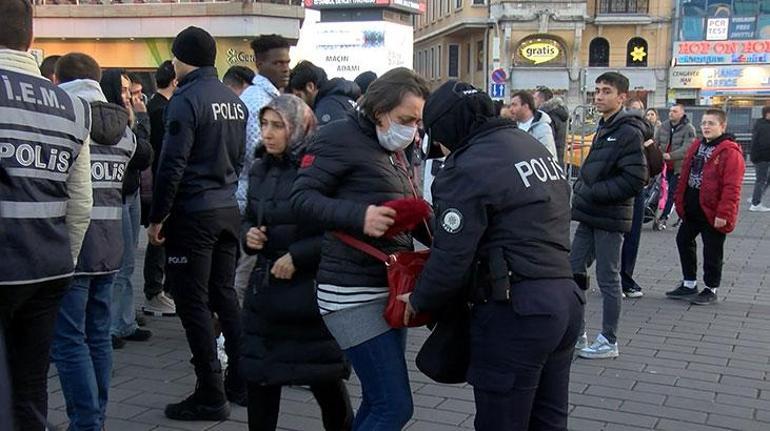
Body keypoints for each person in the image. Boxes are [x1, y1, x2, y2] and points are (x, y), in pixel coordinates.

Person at [404, 80, 583, 431]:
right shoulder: (530, 146)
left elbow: (451, 255)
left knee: (501, 422)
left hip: (515, 311)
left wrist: (421, 298)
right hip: (564, 300)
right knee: (548, 420)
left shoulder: (467, 165)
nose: (439, 147)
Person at [291, 68, 430, 430]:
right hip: (349, 293)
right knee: (394, 407)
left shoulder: (393, 149)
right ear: (379, 109)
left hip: (386, 288)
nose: (412, 129)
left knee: (378, 400)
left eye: (417, 121)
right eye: (405, 119)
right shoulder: (338, 136)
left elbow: (407, 210)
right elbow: (301, 199)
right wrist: (360, 215)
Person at [148, 26, 248, 420]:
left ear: (178, 58)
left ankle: (210, 392)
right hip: (226, 209)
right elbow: (238, 159)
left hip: (194, 213)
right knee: (225, 294)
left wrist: (158, 217)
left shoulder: (184, 100)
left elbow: (171, 163)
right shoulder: (232, 101)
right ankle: (241, 380)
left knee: (192, 303)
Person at [0, 2, 92, 428]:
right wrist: (64, 260)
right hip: (48, 267)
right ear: (31, 39)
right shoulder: (71, 107)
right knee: (32, 386)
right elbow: (81, 203)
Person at [241, 95, 353, 431]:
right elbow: (248, 218)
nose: (268, 133)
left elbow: (338, 231)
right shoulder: (260, 168)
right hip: (266, 293)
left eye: (278, 125)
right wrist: (249, 236)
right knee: (260, 377)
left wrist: (298, 256)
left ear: (299, 127)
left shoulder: (319, 169)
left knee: (324, 377)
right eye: (264, 125)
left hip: (309, 297)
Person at [50, 52, 137, 431]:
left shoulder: (65, 120)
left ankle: (86, 422)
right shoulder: (125, 129)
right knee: (98, 335)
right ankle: (97, 415)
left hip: (73, 243)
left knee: (69, 340)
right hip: (111, 242)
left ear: (58, 80)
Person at [570, 72, 649, 359]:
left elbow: (635, 179)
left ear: (622, 97)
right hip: (590, 214)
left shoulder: (628, 131)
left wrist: (594, 191)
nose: (599, 96)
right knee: (572, 271)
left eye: (606, 91)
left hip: (610, 216)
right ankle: (577, 335)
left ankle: (608, 339)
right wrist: (582, 186)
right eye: (597, 90)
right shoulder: (605, 126)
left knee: (608, 278)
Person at [666, 109, 745, 305]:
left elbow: (732, 187)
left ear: (722, 126)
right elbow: (684, 174)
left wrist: (724, 213)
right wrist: (679, 200)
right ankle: (689, 283)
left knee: (712, 250)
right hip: (693, 206)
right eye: (704, 123)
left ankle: (711, 288)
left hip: (714, 209)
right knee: (683, 240)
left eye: (711, 123)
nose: (706, 127)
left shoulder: (730, 152)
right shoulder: (697, 146)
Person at [235, 34, 290, 304]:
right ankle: (227, 337)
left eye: (288, 62)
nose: (285, 68)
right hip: (254, 199)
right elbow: (257, 156)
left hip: (263, 197)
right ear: (260, 63)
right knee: (246, 273)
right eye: (278, 62)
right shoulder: (258, 100)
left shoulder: (272, 97)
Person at [101, 69, 154, 349]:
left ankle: (124, 321)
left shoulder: (126, 117)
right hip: (117, 194)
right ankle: (112, 325)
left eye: (129, 90)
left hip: (130, 192)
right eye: (123, 90)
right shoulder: (110, 120)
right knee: (118, 263)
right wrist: (142, 118)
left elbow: (144, 152)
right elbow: (140, 152)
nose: (128, 96)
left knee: (129, 261)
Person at [142, 60, 177, 317]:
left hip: (156, 181)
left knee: (163, 238)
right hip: (159, 182)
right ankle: (155, 292)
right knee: (159, 238)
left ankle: (160, 291)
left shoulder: (156, 106)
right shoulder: (163, 110)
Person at [620, 98, 657, 299]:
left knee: (630, 237)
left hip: (635, 190)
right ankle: (618, 279)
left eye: (639, 110)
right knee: (618, 238)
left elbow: (657, 164)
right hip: (621, 191)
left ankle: (624, 278)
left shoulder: (646, 133)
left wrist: (650, 146)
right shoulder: (618, 130)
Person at [654, 103, 697, 230]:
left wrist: (670, 155)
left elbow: (688, 148)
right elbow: (656, 142)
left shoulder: (689, 128)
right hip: (663, 166)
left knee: (672, 193)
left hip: (679, 167)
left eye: (675, 111)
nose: (671, 113)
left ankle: (664, 217)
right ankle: (658, 214)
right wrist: (657, 154)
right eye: (670, 111)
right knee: (660, 191)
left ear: (682, 113)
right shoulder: (664, 126)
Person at [289, 60, 360, 125]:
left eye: (299, 96)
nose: (298, 103)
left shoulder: (327, 108)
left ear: (310, 87)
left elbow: (329, 138)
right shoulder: (342, 99)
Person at [508, 90, 557, 157]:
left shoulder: (543, 129)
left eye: (514, 105)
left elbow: (547, 157)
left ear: (526, 106)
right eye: (510, 106)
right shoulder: (513, 127)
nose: (511, 109)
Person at [535, 86, 569, 165]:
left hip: (549, 161)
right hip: (557, 157)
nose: (533, 102)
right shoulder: (558, 112)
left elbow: (548, 140)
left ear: (542, 99)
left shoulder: (547, 116)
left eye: (535, 99)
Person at [749, 106, 770, 212]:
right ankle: (755, 203)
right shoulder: (765, 127)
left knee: (766, 179)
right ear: (767, 114)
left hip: (760, 156)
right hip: (763, 157)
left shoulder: (761, 124)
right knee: (761, 180)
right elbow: (766, 143)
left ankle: (756, 197)